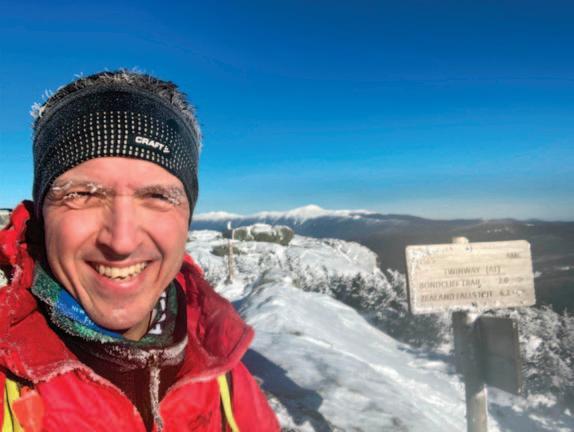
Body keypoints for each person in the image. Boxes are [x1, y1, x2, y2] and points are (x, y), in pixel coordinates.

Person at [0, 71, 280, 431]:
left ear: (187, 219)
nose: (122, 242)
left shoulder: (218, 365)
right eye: (81, 194)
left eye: (158, 196)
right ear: (42, 217)